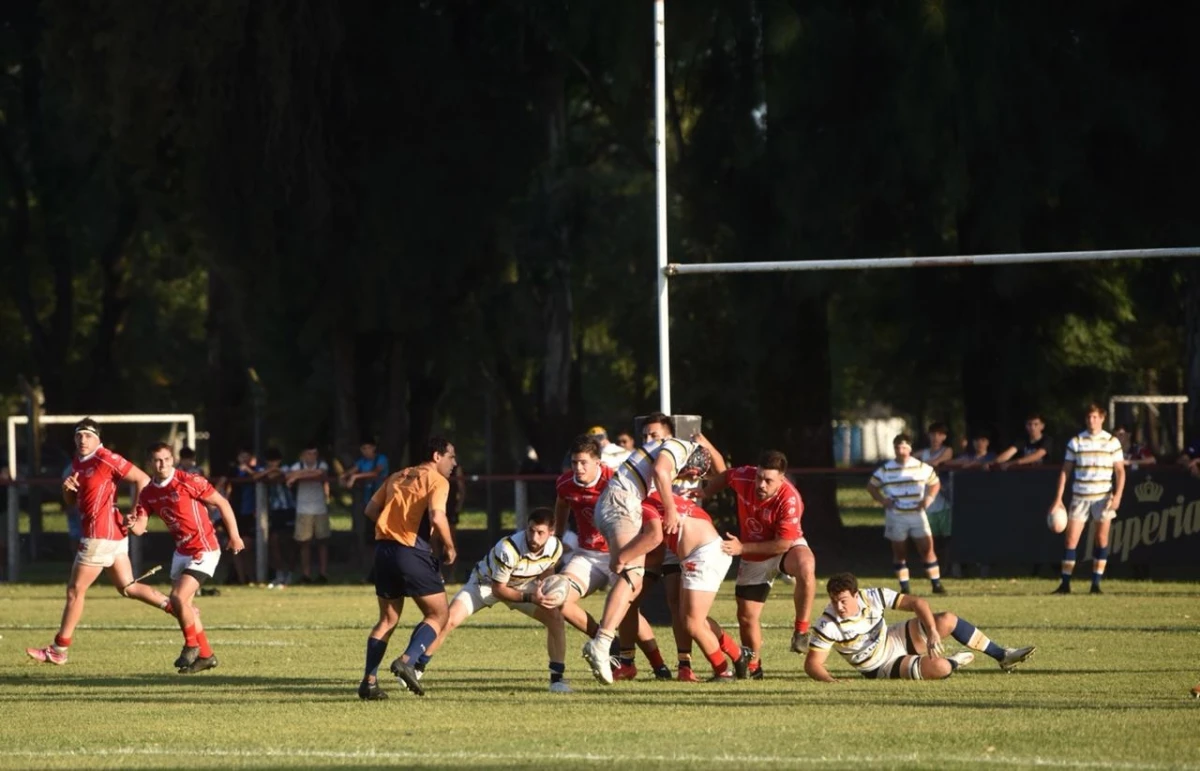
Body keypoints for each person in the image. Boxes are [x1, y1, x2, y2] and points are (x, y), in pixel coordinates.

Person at [579, 411, 722, 685]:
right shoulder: (680, 445)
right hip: (622, 503)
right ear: (692, 458)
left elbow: (718, 473)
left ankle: (619, 652)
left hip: (615, 503)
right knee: (631, 576)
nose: (684, 476)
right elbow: (661, 471)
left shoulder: (666, 450)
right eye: (689, 472)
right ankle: (602, 642)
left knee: (630, 578)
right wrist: (669, 508)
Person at [26, 418, 174, 665]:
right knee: (128, 587)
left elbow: (142, 479)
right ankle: (178, 608)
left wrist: (139, 515)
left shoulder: (106, 458)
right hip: (110, 534)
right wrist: (67, 490)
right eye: (79, 436)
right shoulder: (77, 462)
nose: (82, 440)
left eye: (87, 435)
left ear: (98, 439)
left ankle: (59, 650)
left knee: (75, 591)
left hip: (100, 535)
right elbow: (71, 502)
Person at [553, 434, 673, 681]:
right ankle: (606, 641)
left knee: (628, 610)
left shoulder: (615, 481)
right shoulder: (565, 483)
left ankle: (659, 666)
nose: (578, 468)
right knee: (557, 598)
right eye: (574, 462)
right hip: (587, 555)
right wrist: (558, 537)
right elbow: (562, 505)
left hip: (619, 552)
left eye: (584, 462)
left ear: (599, 462)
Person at [423, 508, 570, 692]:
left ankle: (557, 680)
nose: (534, 537)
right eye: (531, 530)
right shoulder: (509, 548)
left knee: (555, 618)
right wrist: (532, 597)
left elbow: (546, 569)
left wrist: (547, 588)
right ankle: (416, 667)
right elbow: (498, 590)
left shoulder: (555, 547)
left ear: (551, 532)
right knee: (449, 620)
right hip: (484, 584)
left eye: (540, 532)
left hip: (521, 586)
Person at [357, 437, 458, 700]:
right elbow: (438, 516)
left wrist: (392, 525)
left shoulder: (396, 476)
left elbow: (370, 509)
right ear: (437, 456)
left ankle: (369, 682)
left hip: (383, 552)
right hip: (410, 552)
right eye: (451, 457)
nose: (454, 463)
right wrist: (449, 547)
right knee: (439, 615)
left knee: (388, 619)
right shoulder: (437, 480)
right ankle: (407, 660)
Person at [130, 443, 245, 673]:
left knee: (178, 597)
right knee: (184, 607)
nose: (162, 464)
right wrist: (129, 523)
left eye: (165, 459)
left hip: (204, 548)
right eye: (157, 460)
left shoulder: (188, 480)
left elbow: (222, 502)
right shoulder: (148, 492)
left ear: (172, 460)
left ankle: (191, 645)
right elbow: (139, 527)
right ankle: (205, 656)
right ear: (149, 464)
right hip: (181, 551)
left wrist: (234, 536)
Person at [701, 449, 814, 680]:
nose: (761, 484)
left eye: (768, 480)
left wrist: (742, 548)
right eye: (759, 477)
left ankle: (801, 630)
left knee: (805, 565)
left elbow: (782, 544)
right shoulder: (744, 476)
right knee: (746, 616)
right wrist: (702, 493)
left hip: (780, 547)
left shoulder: (790, 500)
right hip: (754, 553)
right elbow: (725, 476)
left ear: (782, 479)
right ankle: (753, 667)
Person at [804, 572, 1035, 682]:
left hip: (892, 638)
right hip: (880, 665)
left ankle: (1001, 655)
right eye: (834, 601)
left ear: (856, 594)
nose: (838, 606)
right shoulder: (828, 623)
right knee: (942, 668)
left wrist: (933, 632)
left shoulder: (874, 596)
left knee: (945, 619)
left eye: (843, 600)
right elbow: (812, 665)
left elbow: (917, 603)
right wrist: (833, 682)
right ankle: (954, 660)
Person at [642, 486, 748, 682]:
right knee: (693, 618)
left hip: (702, 555)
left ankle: (723, 671)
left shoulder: (645, 503)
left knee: (692, 623)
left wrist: (624, 560)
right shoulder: (666, 498)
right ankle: (738, 655)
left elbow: (655, 551)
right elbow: (703, 519)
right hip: (705, 551)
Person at [1048, 403, 1125, 595]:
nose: (1092, 421)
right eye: (1089, 417)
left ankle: (1095, 584)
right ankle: (1065, 584)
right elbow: (1065, 471)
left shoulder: (1112, 442)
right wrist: (1058, 499)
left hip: (1103, 497)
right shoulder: (1076, 441)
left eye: (1095, 417)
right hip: (1080, 496)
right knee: (1071, 540)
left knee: (1101, 539)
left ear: (1102, 418)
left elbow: (1120, 472)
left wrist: (1117, 496)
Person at [867, 434, 946, 595]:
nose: (900, 450)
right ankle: (905, 586)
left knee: (927, 548)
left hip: (917, 514)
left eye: (903, 447)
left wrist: (928, 499)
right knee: (900, 551)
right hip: (896, 515)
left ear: (910, 448)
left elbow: (935, 483)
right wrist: (883, 501)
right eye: (897, 447)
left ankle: (936, 584)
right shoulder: (886, 468)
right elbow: (871, 486)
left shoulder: (920, 467)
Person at [287, 443, 331, 584]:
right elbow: (288, 475)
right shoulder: (296, 466)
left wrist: (297, 476)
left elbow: (320, 473)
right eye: (309, 453)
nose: (311, 457)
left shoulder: (322, 465)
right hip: (303, 509)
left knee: (322, 542)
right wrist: (296, 475)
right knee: (304, 542)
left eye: (314, 454)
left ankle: (323, 574)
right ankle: (306, 574)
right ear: (303, 455)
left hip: (320, 508)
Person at [254, 448, 295, 587]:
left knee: (287, 542)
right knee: (274, 542)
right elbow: (256, 476)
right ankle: (279, 573)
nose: (273, 464)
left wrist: (272, 472)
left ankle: (289, 573)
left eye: (275, 461)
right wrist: (269, 471)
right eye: (270, 461)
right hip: (274, 511)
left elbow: (283, 475)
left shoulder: (286, 468)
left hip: (288, 509)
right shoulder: (264, 469)